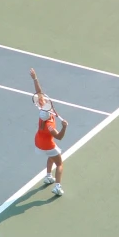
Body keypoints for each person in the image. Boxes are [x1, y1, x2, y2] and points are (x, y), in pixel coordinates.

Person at [30, 69, 69, 197]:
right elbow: (59, 137)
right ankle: (57, 187)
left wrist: (35, 78)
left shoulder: (43, 115)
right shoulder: (50, 125)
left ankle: (48, 176)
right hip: (47, 144)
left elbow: (39, 93)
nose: (46, 104)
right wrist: (64, 127)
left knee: (51, 154)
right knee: (59, 163)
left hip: (38, 143)